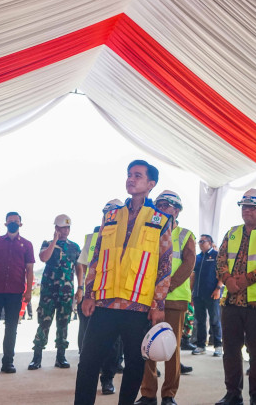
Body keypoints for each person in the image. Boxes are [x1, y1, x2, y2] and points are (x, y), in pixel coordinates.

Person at [74, 159, 172, 405]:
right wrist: (89, 294)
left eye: (137, 175)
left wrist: (158, 304)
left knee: (134, 365)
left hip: (138, 308)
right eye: (129, 174)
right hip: (105, 304)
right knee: (87, 362)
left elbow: (164, 265)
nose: (131, 179)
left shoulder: (160, 219)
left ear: (151, 184)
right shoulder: (111, 215)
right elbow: (97, 257)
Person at [214, 188, 256, 405]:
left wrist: (245, 280)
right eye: (244, 206)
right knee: (230, 350)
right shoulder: (232, 232)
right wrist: (228, 280)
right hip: (230, 302)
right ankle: (233, 394)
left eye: (252, 207)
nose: (247, 210)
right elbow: (220, 259)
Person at [137, 190, 196, 405]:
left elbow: (188, 265)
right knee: (147, 346)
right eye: (159, 204)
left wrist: (164, 288)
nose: (161, 208)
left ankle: (169, 395)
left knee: (172, 348)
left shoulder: (185, 235)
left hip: (174, 299)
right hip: (147, 299)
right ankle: (148, 393)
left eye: (167, 205)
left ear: (177, 210)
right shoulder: (148, 232)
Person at [76, 199, 124, 396]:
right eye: (107, 211)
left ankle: (108, 379)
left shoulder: (127, 235)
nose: (110, 214)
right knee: (86, 341)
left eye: (114, 211)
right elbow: (83, 265)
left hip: (114, 298)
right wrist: (82, 289)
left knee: (113, 344)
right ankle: (89, 378)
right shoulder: (93, 236)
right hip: (91, 297)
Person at [0, 211, 35, 375]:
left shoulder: (27, 244)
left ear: (20, 224)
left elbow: (30, 269)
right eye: (10, 221)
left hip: (15, 292)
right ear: (5, 224)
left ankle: (8, 362)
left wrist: (28, 291)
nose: (13, 224)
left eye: (16, 221)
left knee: (11, 328)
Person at [28, 214, 82, 370]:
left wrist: (80, 287)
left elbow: (79, 267)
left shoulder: (75, 247)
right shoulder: (47, 243)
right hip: (48, 292)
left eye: (67, 228)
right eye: (62, 228)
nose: (65, 231)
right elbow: (43, 257)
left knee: (64, 323)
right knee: (44, 323)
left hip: (66, 292)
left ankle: (61, 356)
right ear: (56, 228)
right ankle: (37, 357)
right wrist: (54, 241)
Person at [192, 234, 223, 357]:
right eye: (199, 241)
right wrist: (191, 292)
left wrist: (218, 288)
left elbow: (222, 273)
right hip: (198, 294)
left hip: (212, 293)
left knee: (215, 319)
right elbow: (193, 275)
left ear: (209, 242)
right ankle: (200, 345)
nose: (200, 243)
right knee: (200, 320)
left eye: (202, 241)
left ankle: (218, 346)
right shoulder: (197, 257)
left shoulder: (216, 255)